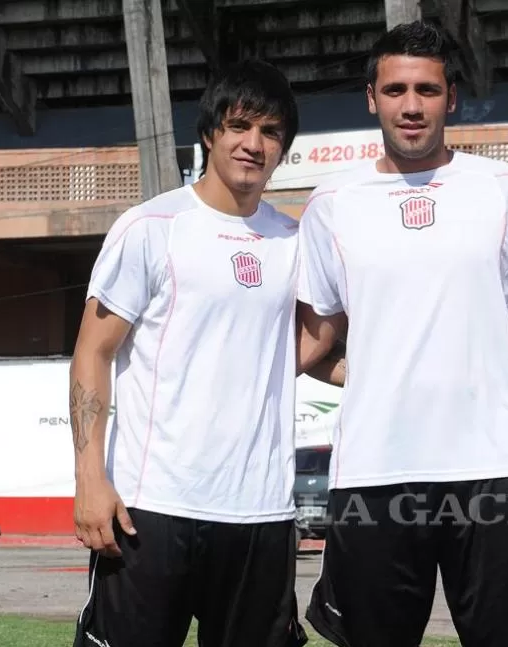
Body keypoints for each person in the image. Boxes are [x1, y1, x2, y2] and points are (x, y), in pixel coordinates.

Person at [296, 20, 508, 647]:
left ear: (452, 97)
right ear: (371, 97)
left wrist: (502, 366)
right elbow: (311, 344)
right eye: (396, 90)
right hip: (374, 477)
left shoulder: (504, 190)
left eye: (427, 90)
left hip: (494, 471)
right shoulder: (333, 202)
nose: (411, 106)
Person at [69, 60, 308, 647]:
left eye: (271, 132)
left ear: (284, 148)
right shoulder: (151, 227)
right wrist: (88, 479)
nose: (254, 144)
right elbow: (92, 354)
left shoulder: (294, 240)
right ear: (210, 133)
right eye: (240, 126)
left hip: (261, 513)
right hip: (152, 509)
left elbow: (307, 347)